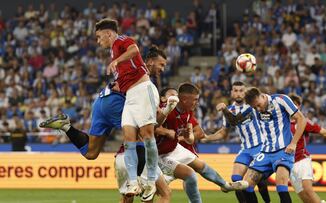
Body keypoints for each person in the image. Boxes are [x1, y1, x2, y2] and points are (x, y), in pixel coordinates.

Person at [39, 41, 172, 201]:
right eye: (161, 64)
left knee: (91, 152)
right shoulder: (141, 74)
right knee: (140, 135)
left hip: (102, 101)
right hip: (115, 101)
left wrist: (163, 110)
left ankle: (66, 127)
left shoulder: (141, 77)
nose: (162, 69)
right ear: (150, 61)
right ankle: (141, 181)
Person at [94, 18, 160, 200]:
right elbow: (125, 75)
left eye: (99, 37)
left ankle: (151, 181)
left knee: (147, 135)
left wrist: (117, 61)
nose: (99, 41)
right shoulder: (113, 51)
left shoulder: (121, 40)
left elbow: (134, 50)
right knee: (129, 138)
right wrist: (118, 85)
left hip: (143, 90)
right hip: (130, 96)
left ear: (108, 33)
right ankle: (133, 181)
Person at [156, 83, 248, 197]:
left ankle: (225, 185)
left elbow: (192, 138)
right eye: (195, 99)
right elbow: (148, 128)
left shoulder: (188, 111)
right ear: (184, 99)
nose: (198, 102)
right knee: (167, 189)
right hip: (157, 153)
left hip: (173, 147)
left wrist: (187, 136)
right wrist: (167, 132)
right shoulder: (164, 107)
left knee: (200, 166)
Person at [203, 81, 270, 203]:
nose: (238, 93)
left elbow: (234, 120)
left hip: (260, 147)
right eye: (235, 90)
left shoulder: (252, 106)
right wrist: (207, 137)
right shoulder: (230, 109)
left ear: (246, 92)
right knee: (236, 180)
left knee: (261, 183)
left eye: (241, 90)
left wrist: (224, 110)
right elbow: (223, 133)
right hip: (245, 149)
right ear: (231, 93)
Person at [242, 87, 307, 203]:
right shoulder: (254, 109)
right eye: (254, 107)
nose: (258, 109)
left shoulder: (281, 100)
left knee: (281, 185)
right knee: (246, 185)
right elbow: (234, 120)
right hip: (265, 152)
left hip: (284, 150)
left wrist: (293, 143)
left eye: (258, 105)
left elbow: (302, 119)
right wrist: (225, 110)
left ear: (262, 95)